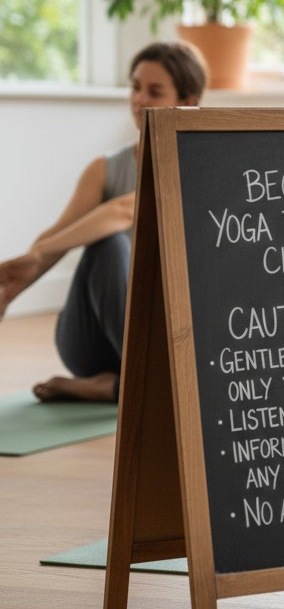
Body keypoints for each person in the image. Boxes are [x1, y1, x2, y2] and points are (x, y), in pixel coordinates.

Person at [0, 41, 207, 403]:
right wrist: (14, 286)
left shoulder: (198, 169)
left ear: (187, 102)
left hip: (164, 338)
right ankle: (134, 384)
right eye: (135, 87)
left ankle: (116, 386)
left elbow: (124, 212)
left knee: (112, 235)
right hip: (89, 343)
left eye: (154, 91)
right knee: (106, 244)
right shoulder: (105, 169)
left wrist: (40, 252)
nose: (139, 99)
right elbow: (56, 239)